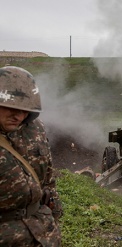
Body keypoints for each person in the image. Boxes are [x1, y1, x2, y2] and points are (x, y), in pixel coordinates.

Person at [0, 66, 62, 246]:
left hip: (43, 235)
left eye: (26, 109)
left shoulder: (35, 129)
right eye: (12, 108)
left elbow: (48, 177)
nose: (19, 116)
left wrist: (54, 216)